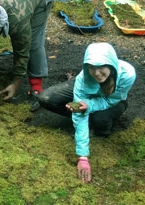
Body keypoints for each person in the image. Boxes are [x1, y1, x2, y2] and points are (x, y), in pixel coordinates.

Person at [38, 42, 136, 182]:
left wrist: (89, 106)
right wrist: (82, 156)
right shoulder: (83, 78)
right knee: (46, 98)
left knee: (100, 119)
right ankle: (89, 118)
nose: (96, 73)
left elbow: (109, 101)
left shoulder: (127, 74)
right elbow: (79, 114)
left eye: (101, 67)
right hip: (88, 90)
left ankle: (103, 129)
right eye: (92, 68)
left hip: (113, 101)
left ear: (111, 64)